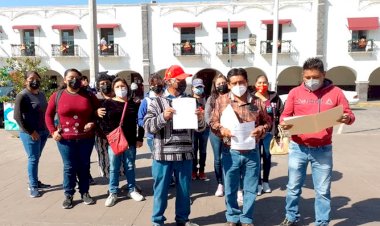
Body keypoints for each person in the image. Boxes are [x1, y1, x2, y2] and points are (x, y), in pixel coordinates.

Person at [279, 57, 355, 226]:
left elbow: (350, 114)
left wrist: (346, 118)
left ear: (324, 75)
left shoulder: (336, 93)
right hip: (298, 147)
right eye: (307, 77)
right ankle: (291, 216)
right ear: (302, 76)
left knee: (322, 190)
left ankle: (322, 222)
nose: (311, 81)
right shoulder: (295, 93)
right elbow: (285, 116)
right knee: (293, 187)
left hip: (323, 149)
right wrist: (284, 122)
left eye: (315, 77)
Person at [144, 65, 206, 226]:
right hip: (162, 154)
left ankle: (183, 220)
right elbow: (148, 126)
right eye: (180, 79)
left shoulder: (191, 101)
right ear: (169, 81)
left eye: (185, 79)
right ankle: (158, 221)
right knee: (161, 191)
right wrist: (163, 117)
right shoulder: (156, 102)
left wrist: (199, 118)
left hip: (185, 153)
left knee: (184, 190)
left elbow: (201, 128)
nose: (184, 82)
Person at [209, 68, 271, 226]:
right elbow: (213, 122)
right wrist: (222, 129)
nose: (238, 85)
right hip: (230, 151)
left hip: (252, 151)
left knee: (250, 188)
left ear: (247, 82)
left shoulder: (256, 102)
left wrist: (261, 129)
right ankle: (232, 216)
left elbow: (267, 122)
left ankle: (246, 218)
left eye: (241, 82)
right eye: (234, 83)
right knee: (230, 187)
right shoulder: (222, 101)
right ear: (229, 85)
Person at [45, 68, 99, 209]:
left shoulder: (89, 95)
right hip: (65, 139)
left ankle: (85, 192)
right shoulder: (57, 95)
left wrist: (92, 122)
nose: (74, 80)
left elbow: (98, 113)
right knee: (69, 167)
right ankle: (68, 195)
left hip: (86, 138)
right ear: (65, 79)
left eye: (77, 77)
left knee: (84, 165)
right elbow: (48, 115)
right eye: (70, 77)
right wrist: (52, 131)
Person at [98, 77, 145, 207]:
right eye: (117, 87)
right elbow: (102, 122)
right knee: (114, 167)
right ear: (113, 89)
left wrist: (140, 138)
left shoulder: (133, 104)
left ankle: (132, 189)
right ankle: (113, 192)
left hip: (130, 141)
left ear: (127, 88)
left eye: (123, 86)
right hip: (114, 142)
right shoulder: (107, 104)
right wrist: (108, 135)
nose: (120, 89)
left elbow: (140, 122)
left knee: (130, 166)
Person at [14, 71, 51, 198]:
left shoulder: (41, 94)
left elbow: (45, 112)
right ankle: (33, 185)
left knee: (36, 157)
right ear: (25, 81)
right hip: (31, 134)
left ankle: (35, 181)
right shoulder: (22, 95)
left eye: (37, 78)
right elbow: (17, 117)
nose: (34, 80)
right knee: (33, 159)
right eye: (31, 78)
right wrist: (31, 131)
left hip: (43, 132)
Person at [252, 74, 284, 196]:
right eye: (259, 83)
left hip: (270, 132)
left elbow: (280, 112)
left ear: (268, 84)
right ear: (255, 84)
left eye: (264, 82)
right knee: (256, 159)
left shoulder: (274, 97)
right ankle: (258, 183)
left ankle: (265, 181)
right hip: (256, 133)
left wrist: (280, 128)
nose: (262, 85)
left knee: (267, 157)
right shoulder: (252, 98)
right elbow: (250, 114)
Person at [204, 73, 229, 197]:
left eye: (223, 83)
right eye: (218, 84)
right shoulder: (211, 99)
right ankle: (220, 183)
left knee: (229, 158)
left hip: (229, 133)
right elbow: (207, 116)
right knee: (218, 159)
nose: (221, 85)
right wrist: (216, 125)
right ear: (215, 85)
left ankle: (230, 183)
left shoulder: (231, 97)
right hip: (215, 133)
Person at [94, 73, 115, 178]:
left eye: (107, 83)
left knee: (116, 159)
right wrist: (95, 112)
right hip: (100, 134)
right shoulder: (95, 98)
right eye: (102, 83)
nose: (105, 85)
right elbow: (88, 112)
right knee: (103, 156)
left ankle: (116, 179)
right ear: (98, 86)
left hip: (116, 133)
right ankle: (109, 180)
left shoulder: (117, 96)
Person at [138, 73, 164, 152]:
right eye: (153, 84)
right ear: (150, 86)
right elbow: (140, 119)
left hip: (166, 136)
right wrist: (149, 126)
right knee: (156, 159)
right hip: (152, 137)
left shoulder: (167, 98)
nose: (156, 86)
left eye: (158, 84)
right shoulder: (146, 101)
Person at [191, 78, 210, 180]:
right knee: (193, 150)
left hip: (205, 129)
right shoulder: (189, 100)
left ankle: (202, 171)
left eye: (201, 87)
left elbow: (210, 113)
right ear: (193, 88)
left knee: (203, 151)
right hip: (193, 129)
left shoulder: (207, 100)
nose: (199, 89)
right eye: (197, 87)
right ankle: (193, 171)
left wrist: (204, 114)